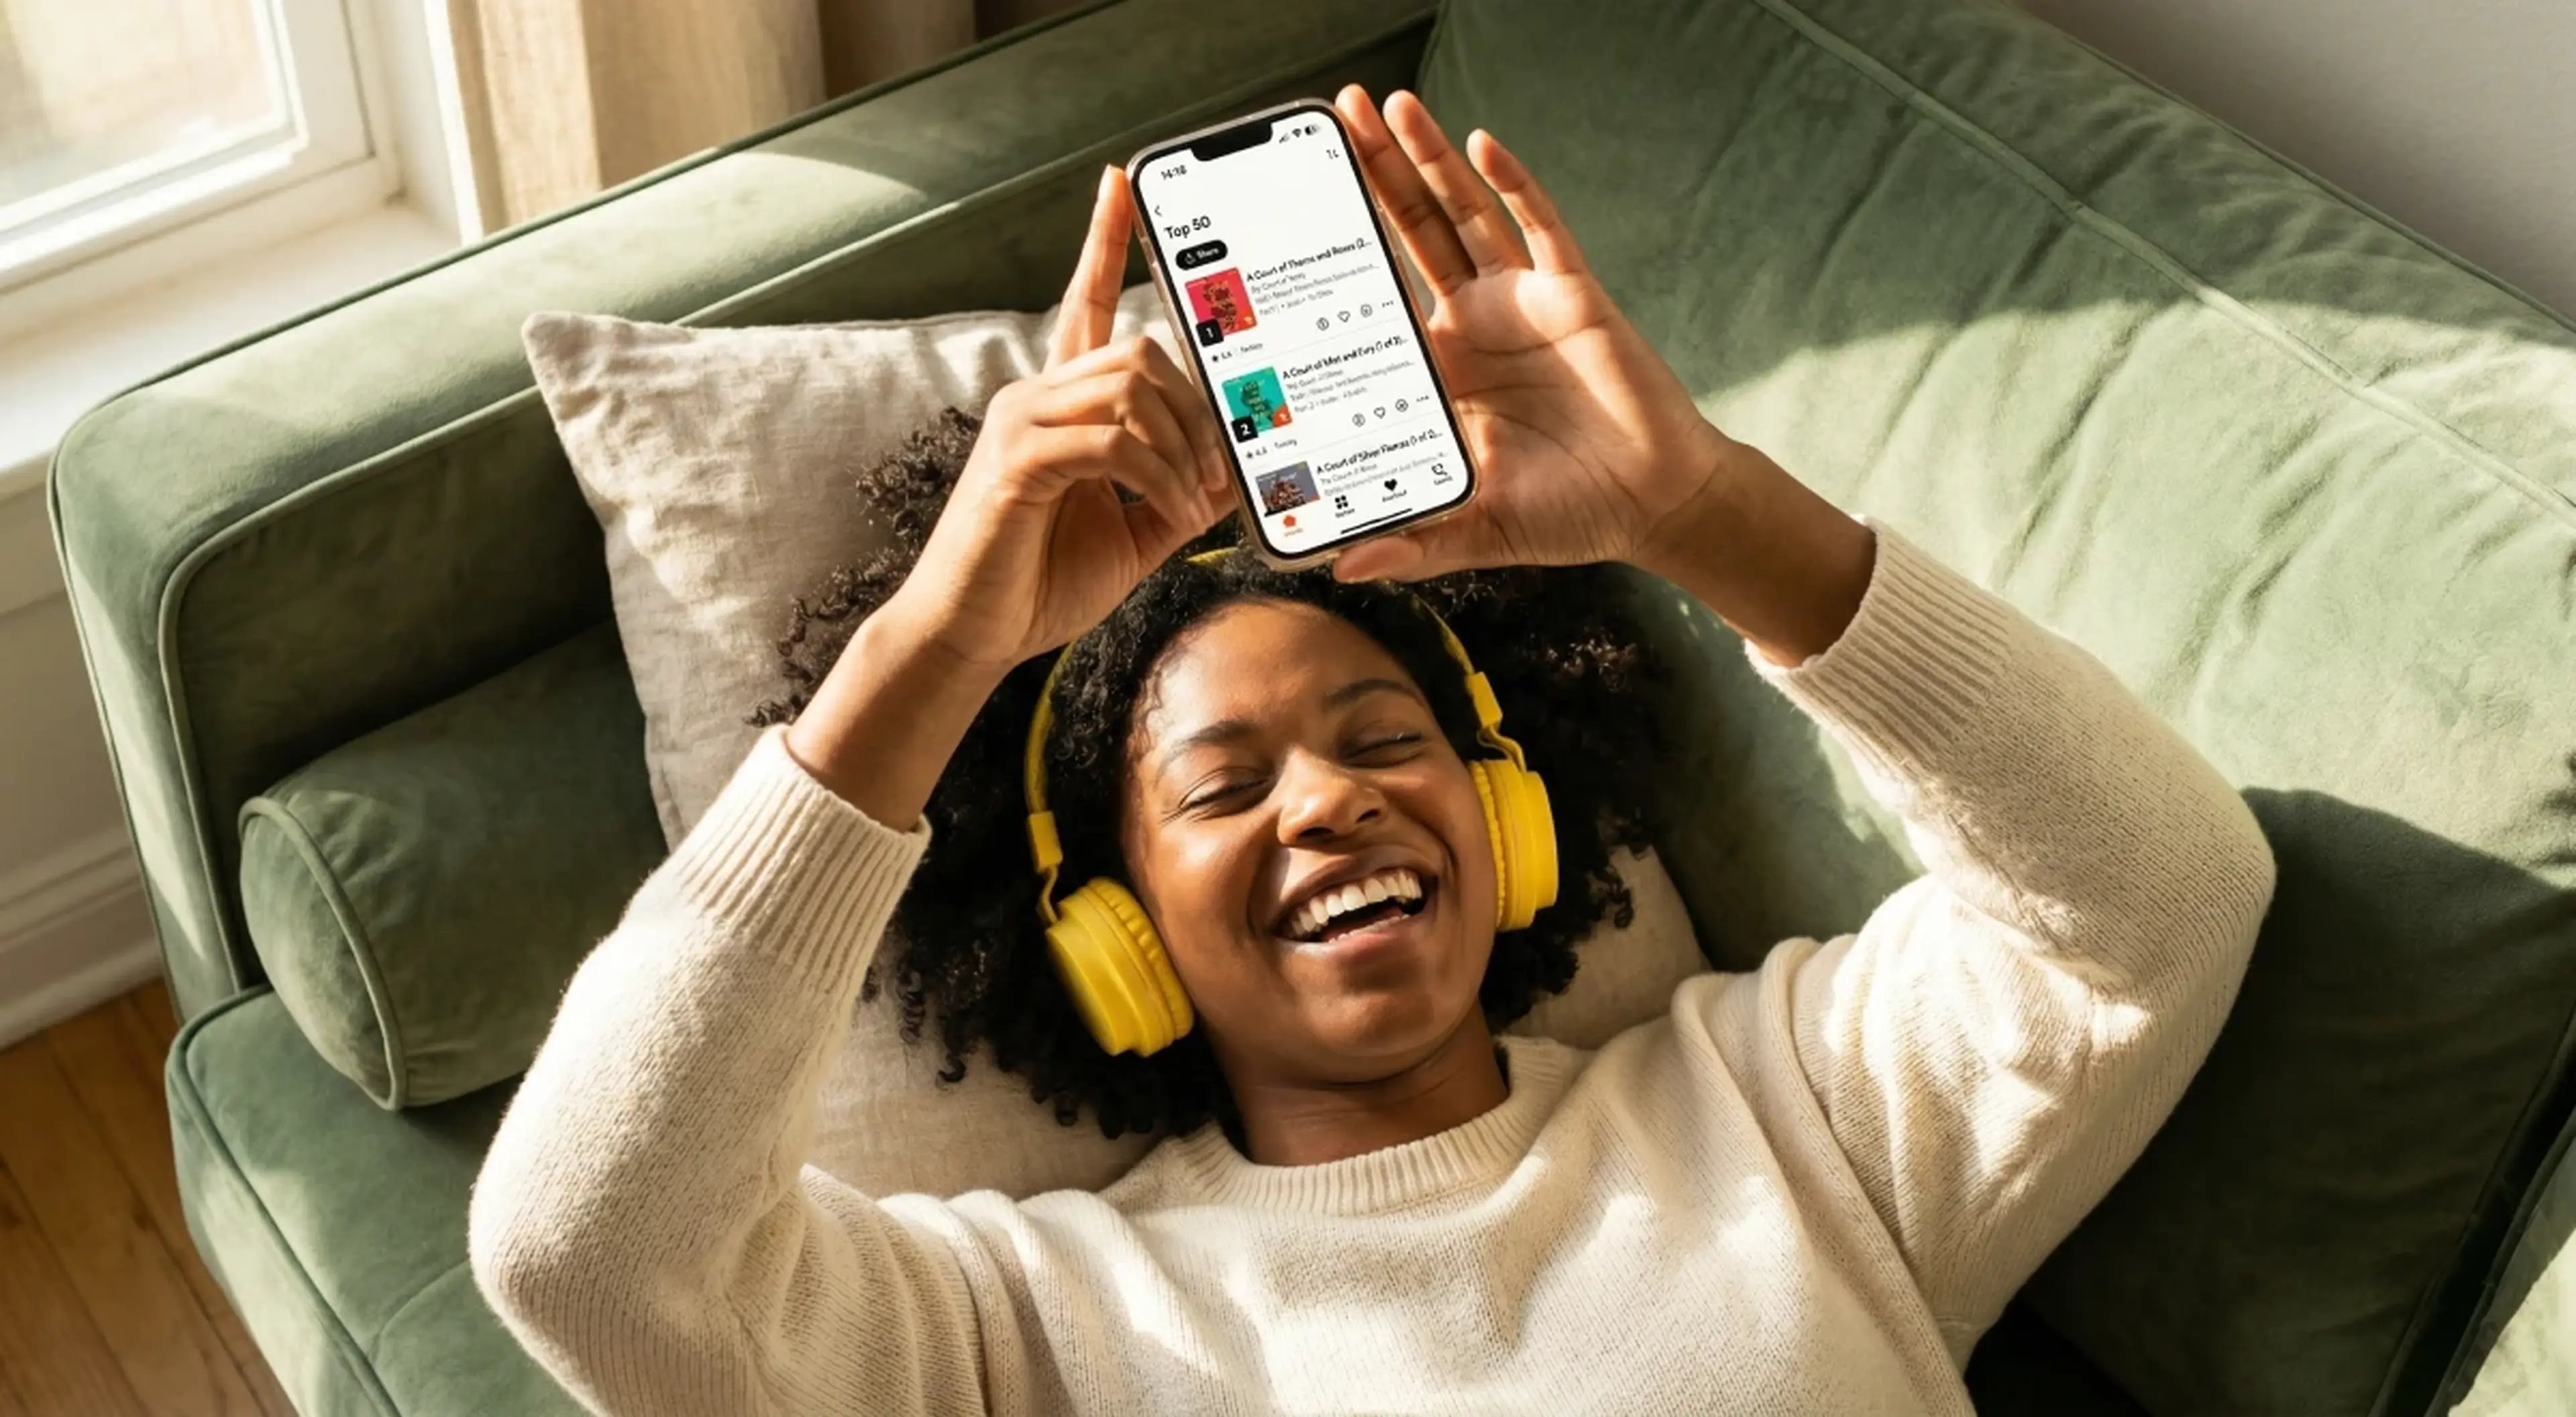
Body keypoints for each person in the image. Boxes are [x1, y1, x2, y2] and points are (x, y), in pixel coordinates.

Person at [469, 87, 2275, 1415]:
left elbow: (2159, 899)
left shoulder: (1788, 1111)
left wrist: (1702, 511)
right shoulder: (1017, 1324)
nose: (1330, 795)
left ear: (1506, 813)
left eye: (1382, 736)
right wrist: (935, 651)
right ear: (1119, 932)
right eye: (1225, 784)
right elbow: (592, 1262)